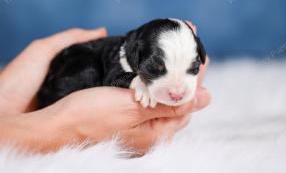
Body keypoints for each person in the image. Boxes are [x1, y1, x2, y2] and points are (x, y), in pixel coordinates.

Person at [0, 26, 211, 154]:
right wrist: (64, 127)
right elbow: (115, 77)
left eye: (191, 68)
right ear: (135, 56)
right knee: (82, 70)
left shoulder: (141, 52)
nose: (178, 90)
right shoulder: (123, 59)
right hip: (65, 78)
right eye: (156, 70)